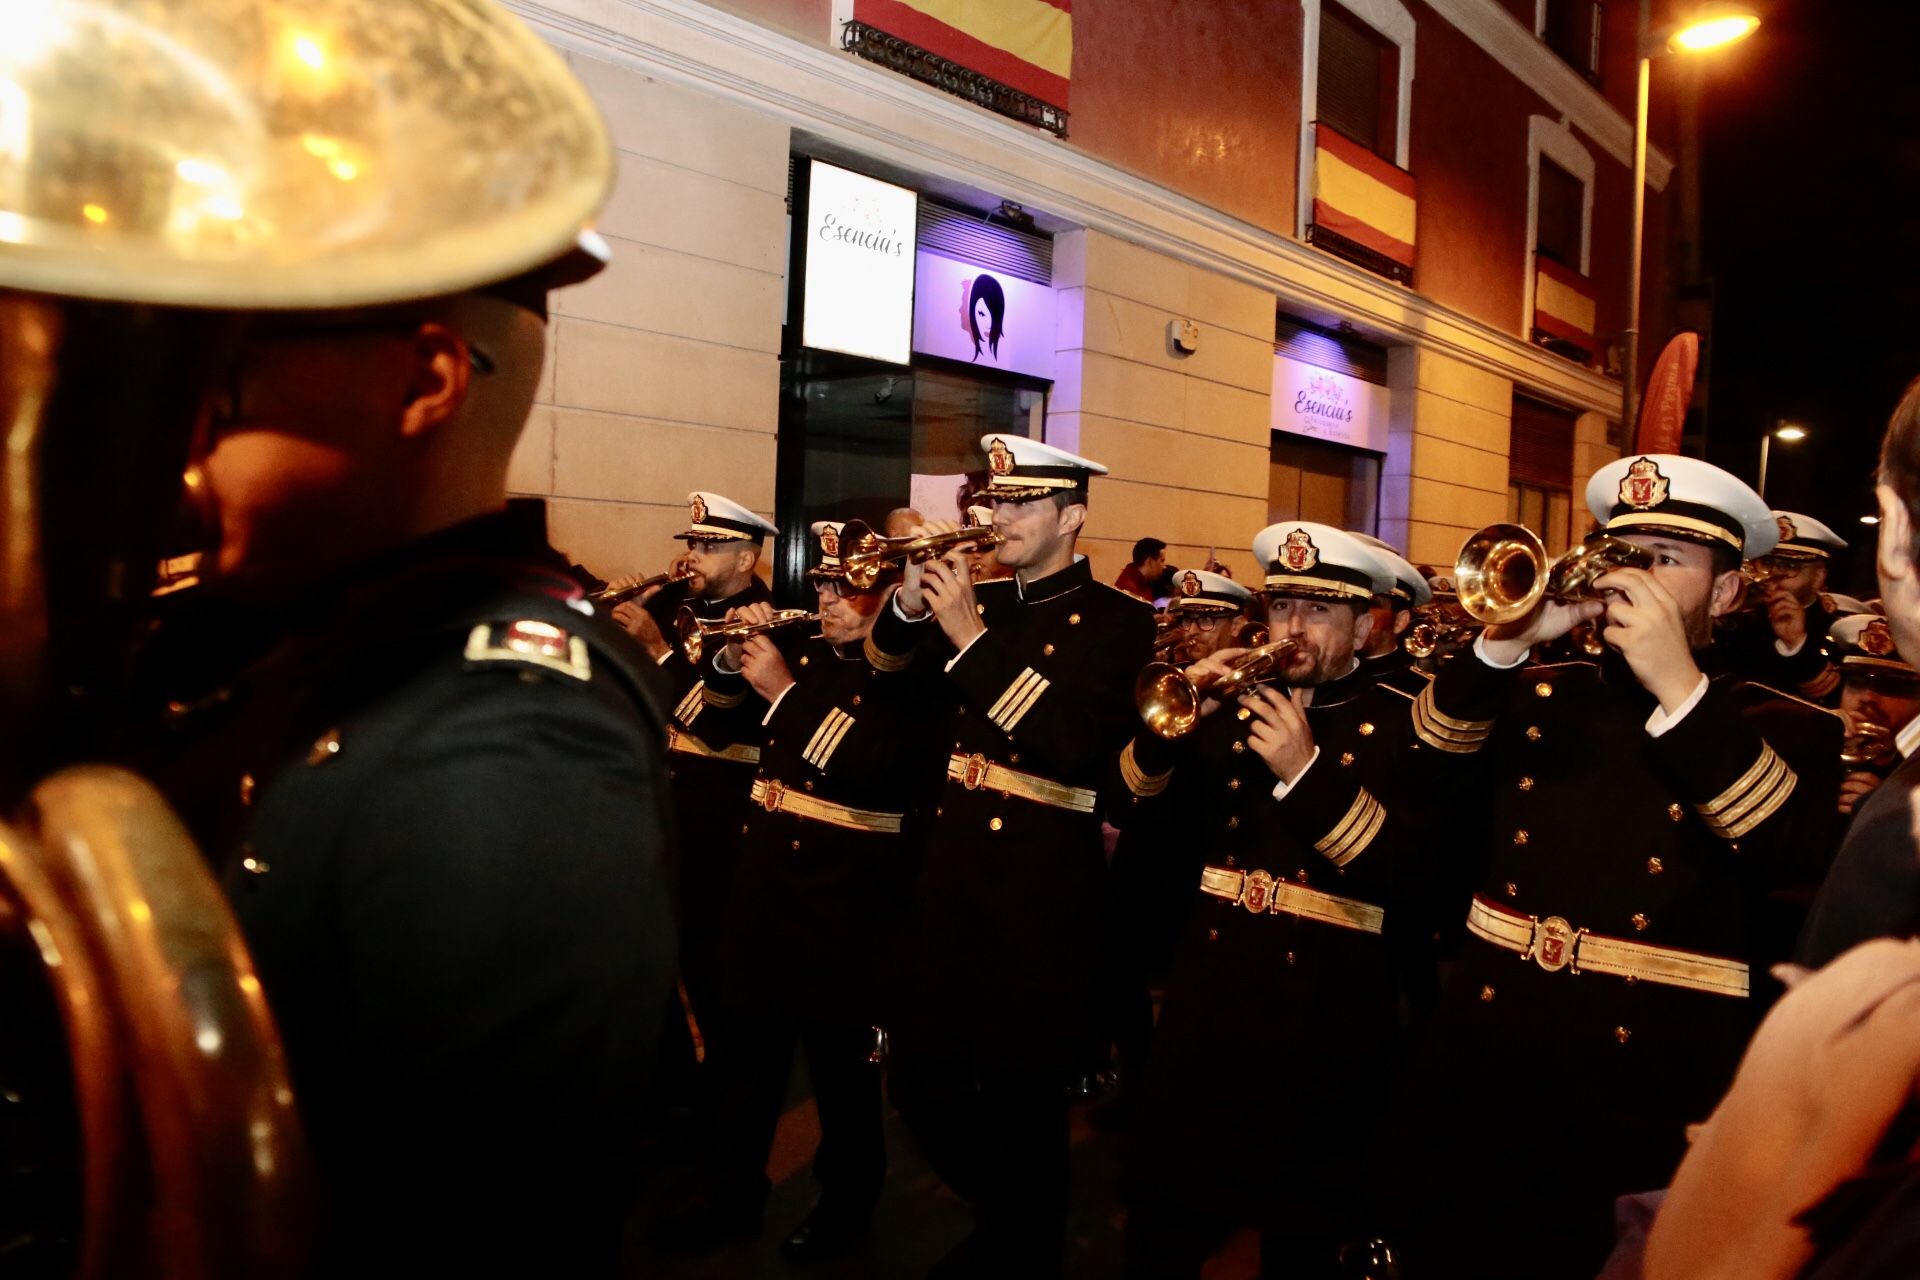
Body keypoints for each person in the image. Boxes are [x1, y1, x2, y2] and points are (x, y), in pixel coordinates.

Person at [132, 229, 679, 1273]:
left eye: (226, 387)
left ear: (427, 380)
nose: (186, 437)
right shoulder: (264, 632)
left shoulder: (507, 738)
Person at [1376, 454, 1844, 1279]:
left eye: (1668, 558)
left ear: (1728, 592)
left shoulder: (1785, 721)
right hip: (1489, 1052)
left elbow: (1784, 858)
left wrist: (1677, 686)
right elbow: (1418, 776)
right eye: (1625, 554)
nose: (1639, 577)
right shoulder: (1535, 689)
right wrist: (1502, 645)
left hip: (1648, 1082)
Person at [869, 435, 1153, 1279]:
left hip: (1042, 895)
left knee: (1025, 1106)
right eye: (994, 501)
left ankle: (1020, 1244)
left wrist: (966, 633)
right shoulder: (986, 599)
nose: (997, 517)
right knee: (920, 1083)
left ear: (1073, 516)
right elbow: (886, 680)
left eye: (1022, 502)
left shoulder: (1122, 623)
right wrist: (915, 609)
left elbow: (1071, 745)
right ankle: (1007, 1216)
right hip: (952, 877)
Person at [1117, 525, 1421, 1279]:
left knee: (1303, 1230)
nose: (1293, 629)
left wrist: (1305, 771)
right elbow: (1135, 805)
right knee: (1163, 1206)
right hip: (1210, 990)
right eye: (1283, 604)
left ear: (1364, 621)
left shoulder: (1405, 715)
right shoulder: (1240, 700)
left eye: (1320, 610)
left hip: (1326, 1004)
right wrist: (1176, 730)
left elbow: (1412, 881)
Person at [671, 521, 942, 1261]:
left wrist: (784, 695)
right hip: (767, 890)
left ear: (888, 593)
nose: (827, 601)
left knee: (841, 1082)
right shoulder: (807, 651)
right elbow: (708, 715)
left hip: (847, 905)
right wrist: (730, 657)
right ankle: (733, 1189)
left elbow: (878, 768)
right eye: (820, 585)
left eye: (846, 588)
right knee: (744, 1064)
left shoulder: (913, 670)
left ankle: (847, 1208)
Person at [1098, 567, 1255, 1126]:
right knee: (1119, 970)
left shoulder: (1255, 689)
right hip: (1149, 847)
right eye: (1188, 617)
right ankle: (1138, 1082)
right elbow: (1125, 783)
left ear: (1239, 623)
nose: (1194, 630)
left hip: (1208, 856)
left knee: (1200, 989)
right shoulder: (1162, 676)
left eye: (1210, 619)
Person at [1798, 379, 1920, 968]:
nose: (1869, 702)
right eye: (1860, 682)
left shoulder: (1903, 827)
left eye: (1894, 687)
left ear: (1894, 527)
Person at [1725, 510, 1849, 700]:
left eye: (1788, 567)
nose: (1772, 576)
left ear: (1818, 577)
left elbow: (1836, 701)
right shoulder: (1738, 623)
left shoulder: (1838, 633)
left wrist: (1798, 643)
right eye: (1766, 563)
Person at [1352, 532, 1435, 694]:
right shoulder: (1315, 684)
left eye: (1370, 605)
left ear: (1400, 622)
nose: (1354, 615)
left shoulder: (1423, 694)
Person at [1116, 537, 1168, 603]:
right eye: (1162, 561)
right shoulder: (1129, 589)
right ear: (1150, 562)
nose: (1164, 566)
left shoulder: (1141, 582)